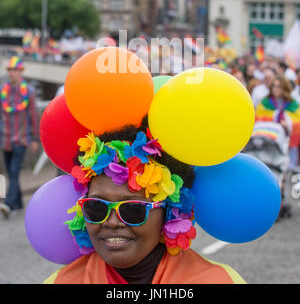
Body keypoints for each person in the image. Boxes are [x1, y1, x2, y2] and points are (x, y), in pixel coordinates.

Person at [44, 120, 245, 284]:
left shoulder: (218, 280)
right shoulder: (61, 281)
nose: (112, 222)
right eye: (96, 207)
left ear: (168, 214)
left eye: (133, 209)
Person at [0, 56, 39, 218]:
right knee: (10, 172)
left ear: (20, 72)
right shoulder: (3, 90)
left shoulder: (28, 91)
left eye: (15, 70)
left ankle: (8, 204)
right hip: (5, 139)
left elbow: (34, 116)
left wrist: (36, 139)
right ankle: (18, 202)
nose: (12, 73)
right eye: (10, 70)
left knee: (14, 171)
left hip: (21, 139)